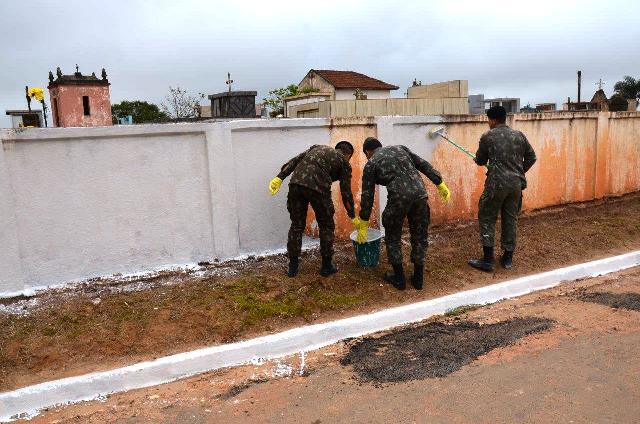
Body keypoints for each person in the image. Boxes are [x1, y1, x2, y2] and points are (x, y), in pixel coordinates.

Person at [355, 137, 450, 290]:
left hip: (399, 198)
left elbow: (368, 195)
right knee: (419, 235)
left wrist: (364, 221)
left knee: (393, 236)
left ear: (367, 151)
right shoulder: (401, 148)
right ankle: (418, 279)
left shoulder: (371, 163)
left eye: (366, 154)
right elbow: (423, 164)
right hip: (420, 195)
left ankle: (399, 278)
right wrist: (439, 182)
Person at [269, 142, 359, 277]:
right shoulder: (344, 163)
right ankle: (327, 266)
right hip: (318, 188)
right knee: (326, 225)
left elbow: (294, 161)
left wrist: (280, 177)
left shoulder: (316, 148)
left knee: (296, 225)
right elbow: (346, 193)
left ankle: (292, 268)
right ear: (348, 155)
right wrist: (352, 216)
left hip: (296, 184)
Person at [468, 106, 537, 272]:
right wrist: (518, 171)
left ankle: (488, 259)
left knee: (487, 216)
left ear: (492, 120)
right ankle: (507, 258)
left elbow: (479, 160)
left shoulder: (488, 137)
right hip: (516, 185)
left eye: (488, 120)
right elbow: (531, 157)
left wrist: (482, 161)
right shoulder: (519, 135)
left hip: (496, 185)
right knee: (510, 218)